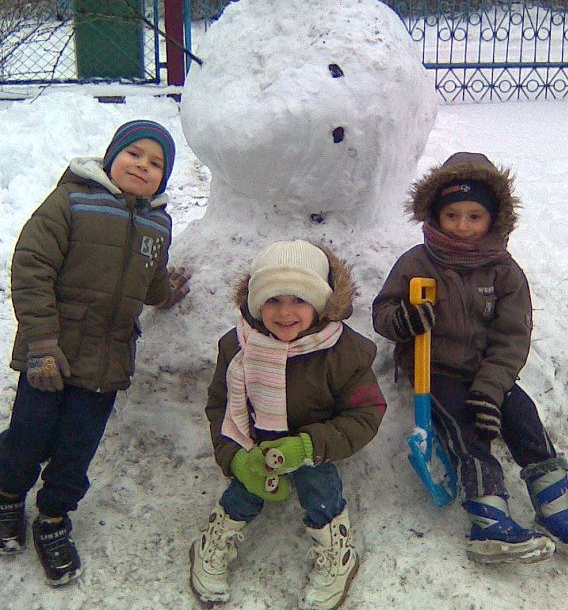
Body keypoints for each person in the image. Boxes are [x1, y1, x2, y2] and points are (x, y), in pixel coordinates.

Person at [372, 151, 568, 564]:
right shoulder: (417, 262)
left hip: (486, 371)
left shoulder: (504, 271)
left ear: (493, 219)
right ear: (435, 214)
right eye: (452, 215)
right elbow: (383, 313)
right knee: (465, 427)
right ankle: (488, 516)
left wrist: (491, 390)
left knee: (523, 415)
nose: (462, 226)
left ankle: (554, 505)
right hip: (434, 371)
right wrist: (404, 319)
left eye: (474, 216)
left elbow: (512, 336)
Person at [0, 119, 190, 585]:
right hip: (52, 353)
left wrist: (168, 294)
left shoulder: (156, 222)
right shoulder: (72, 200)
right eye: (134, 154)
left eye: (156, 163)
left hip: (107, 361)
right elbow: (32, 265)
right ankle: (6, 497)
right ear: (112, 156)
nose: (142, 166)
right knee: (29, 433)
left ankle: (53, 518)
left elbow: (152, 277)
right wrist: (41, 343)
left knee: (77, 446)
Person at [189, 240, 386, 610]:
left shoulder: (345, 352)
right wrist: (235, 459)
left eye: (299, 300)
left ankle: (334, 544)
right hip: (256, 444)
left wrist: (309, 446)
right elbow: (220, 407)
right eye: (273, 300)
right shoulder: (237, 346)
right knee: (247, 485)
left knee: (318, 483)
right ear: (256, 304)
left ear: (320, 303)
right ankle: (220, 531)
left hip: (314, 445)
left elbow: (365, 413)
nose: (284, 313)